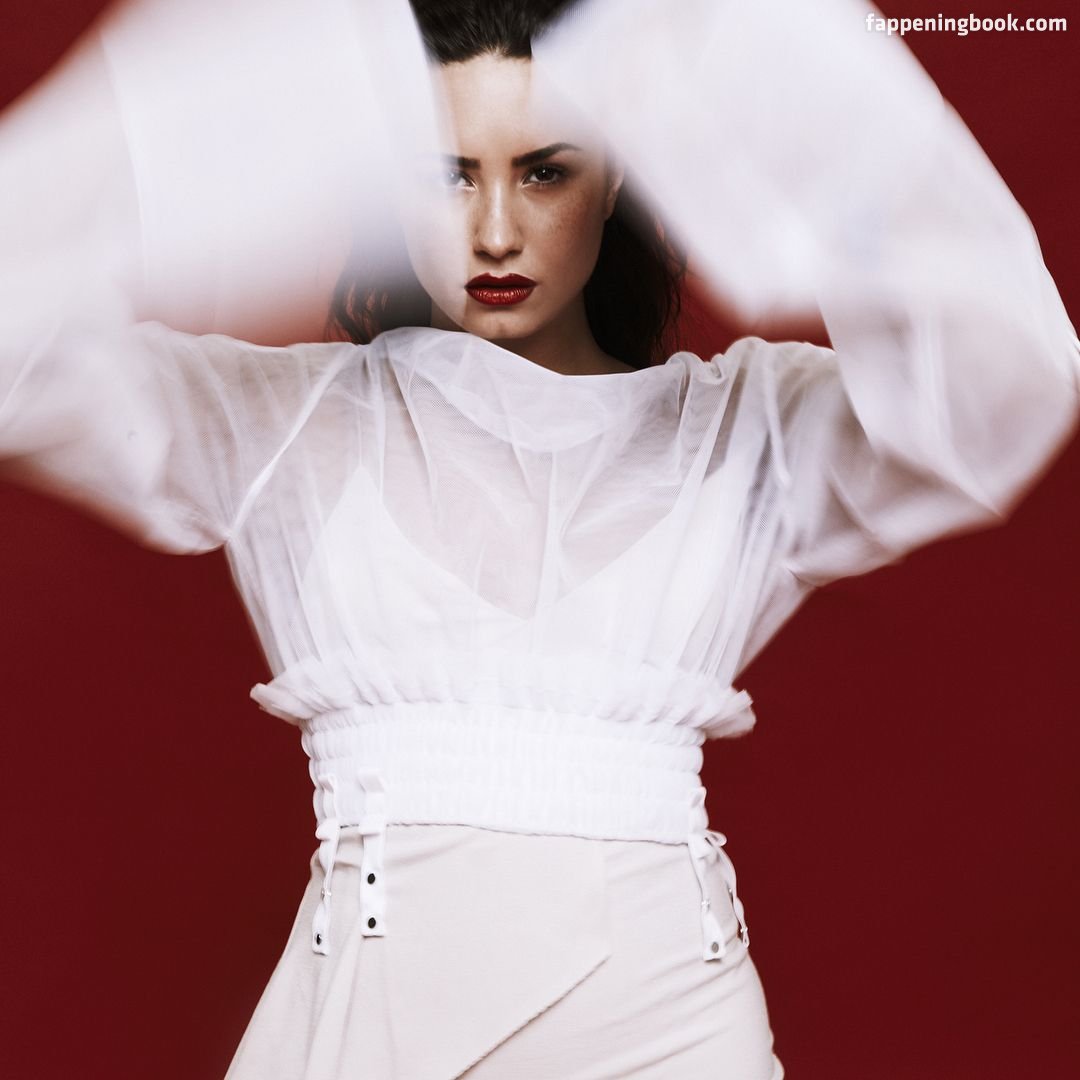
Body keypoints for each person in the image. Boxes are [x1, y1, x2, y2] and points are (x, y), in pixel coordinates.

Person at [1, 0, 1077, 1077]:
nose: (496, 231)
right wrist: (246, 87)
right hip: (374, 1023)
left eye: (545, 172)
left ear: (614, 180)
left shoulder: (746, 434)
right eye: (447, 173)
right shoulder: (281, 426)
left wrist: (759, 63)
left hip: (674, 1027)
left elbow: (1007, 381)